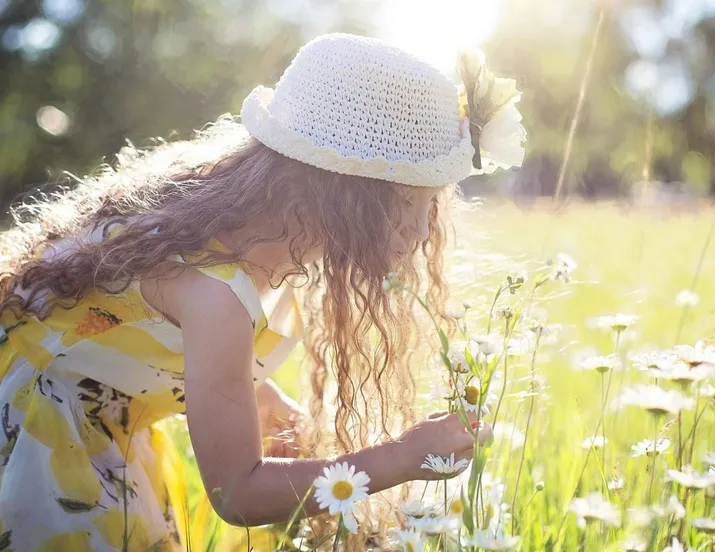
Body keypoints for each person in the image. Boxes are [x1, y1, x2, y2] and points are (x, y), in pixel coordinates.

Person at [0, 33, 521, 550]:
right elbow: (238, 494)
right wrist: (403, 457)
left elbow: (125, 333)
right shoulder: (216, 294)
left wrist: (258, 396)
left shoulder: (238, 233)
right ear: (344, 194)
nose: (427, 231)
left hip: (93, 421)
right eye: (411, 203)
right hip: (44, 447)